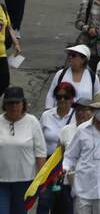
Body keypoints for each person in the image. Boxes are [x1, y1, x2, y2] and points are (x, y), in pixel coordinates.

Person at [0, 86, 45, 214]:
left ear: (23, 103)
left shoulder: (32, 122)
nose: (14, 106)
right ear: (5, 104)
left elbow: (40, 153)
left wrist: (40, 182)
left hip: (24, 181)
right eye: (10, 103)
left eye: (17, 102)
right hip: (1, 181)